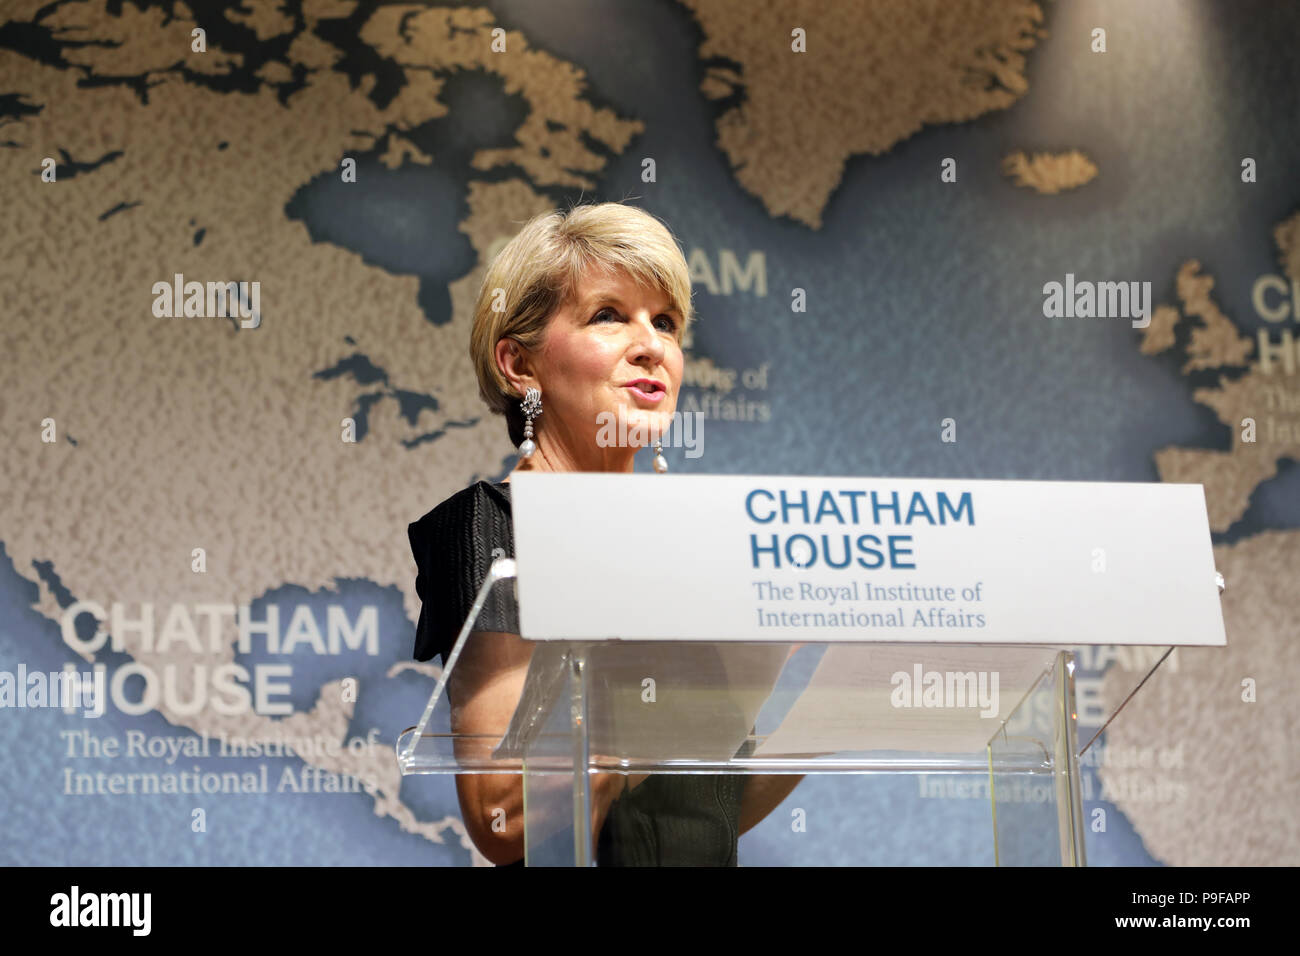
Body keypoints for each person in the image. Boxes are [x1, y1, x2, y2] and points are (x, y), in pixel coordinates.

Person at [407, 201, 800, 865]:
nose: (651, 345)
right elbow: (501, 818)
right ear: (519, 364)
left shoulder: (698, 549)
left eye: (666, 323)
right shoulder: (494, 529)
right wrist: (630, 725)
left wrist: (835, 724)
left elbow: (697, 815)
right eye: (610, 315)